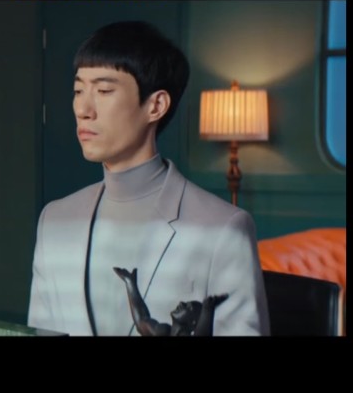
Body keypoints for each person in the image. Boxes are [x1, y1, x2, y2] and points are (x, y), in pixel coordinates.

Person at [27, 21, 270, 336]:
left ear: (156, 105)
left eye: (104, 91)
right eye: (78, 90)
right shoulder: (54, 220)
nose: (83, 109)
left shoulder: (223, 229)